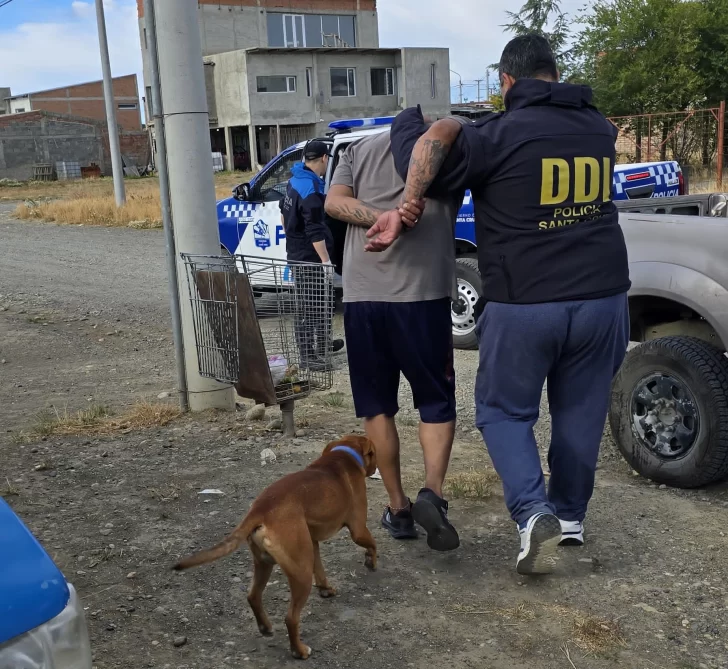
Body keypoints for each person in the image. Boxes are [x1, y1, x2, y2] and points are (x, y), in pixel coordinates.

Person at [376, 34, 630, 574]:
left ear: (506, 82)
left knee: (503, 410)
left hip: (527, 300)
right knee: (580, 412)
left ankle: (532, 509)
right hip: (604, 297)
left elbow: (422, 170)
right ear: (553, 74)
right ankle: (570, 516)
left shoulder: (496, 134)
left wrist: (410, 122)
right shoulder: (597, 128)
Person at [324, 121, 470, 551]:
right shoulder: (449, 150)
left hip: (363, 297)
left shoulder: (357, 149)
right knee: (435, 403)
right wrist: (400, 216)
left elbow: (334, 203)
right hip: (422, 296)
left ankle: (398, 507)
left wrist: (377, 216)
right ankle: (433, 495)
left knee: (377, 407)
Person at [280, 140, 344, 370]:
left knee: (322, 302)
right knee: (310, 306)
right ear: (325, 159)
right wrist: (325, 261)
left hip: (298, 252)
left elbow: (283, 213)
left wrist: (292, 238)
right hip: (309, 258)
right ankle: (308, 357)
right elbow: (314, 229)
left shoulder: (296, 180)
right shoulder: (311, 189)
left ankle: (323, 345)